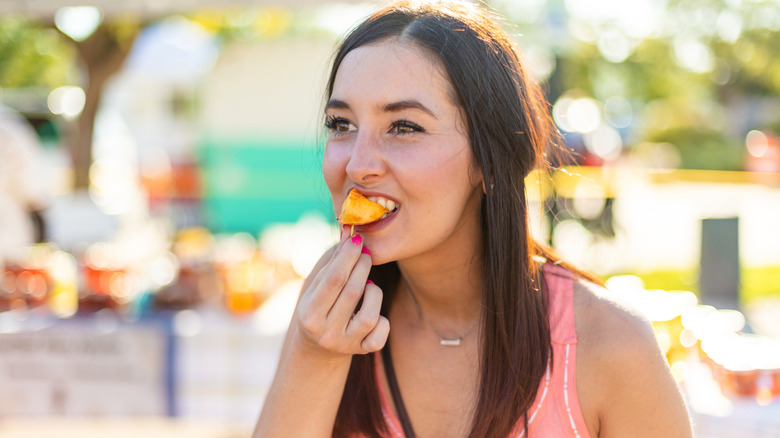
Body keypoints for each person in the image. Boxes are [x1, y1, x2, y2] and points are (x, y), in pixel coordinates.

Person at [254, 1, 692, 437]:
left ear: (489, 158)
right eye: (341, 124)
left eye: (404, 127)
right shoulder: (328, 313)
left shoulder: (612, 346)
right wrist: (315, 357)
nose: (356, 166)